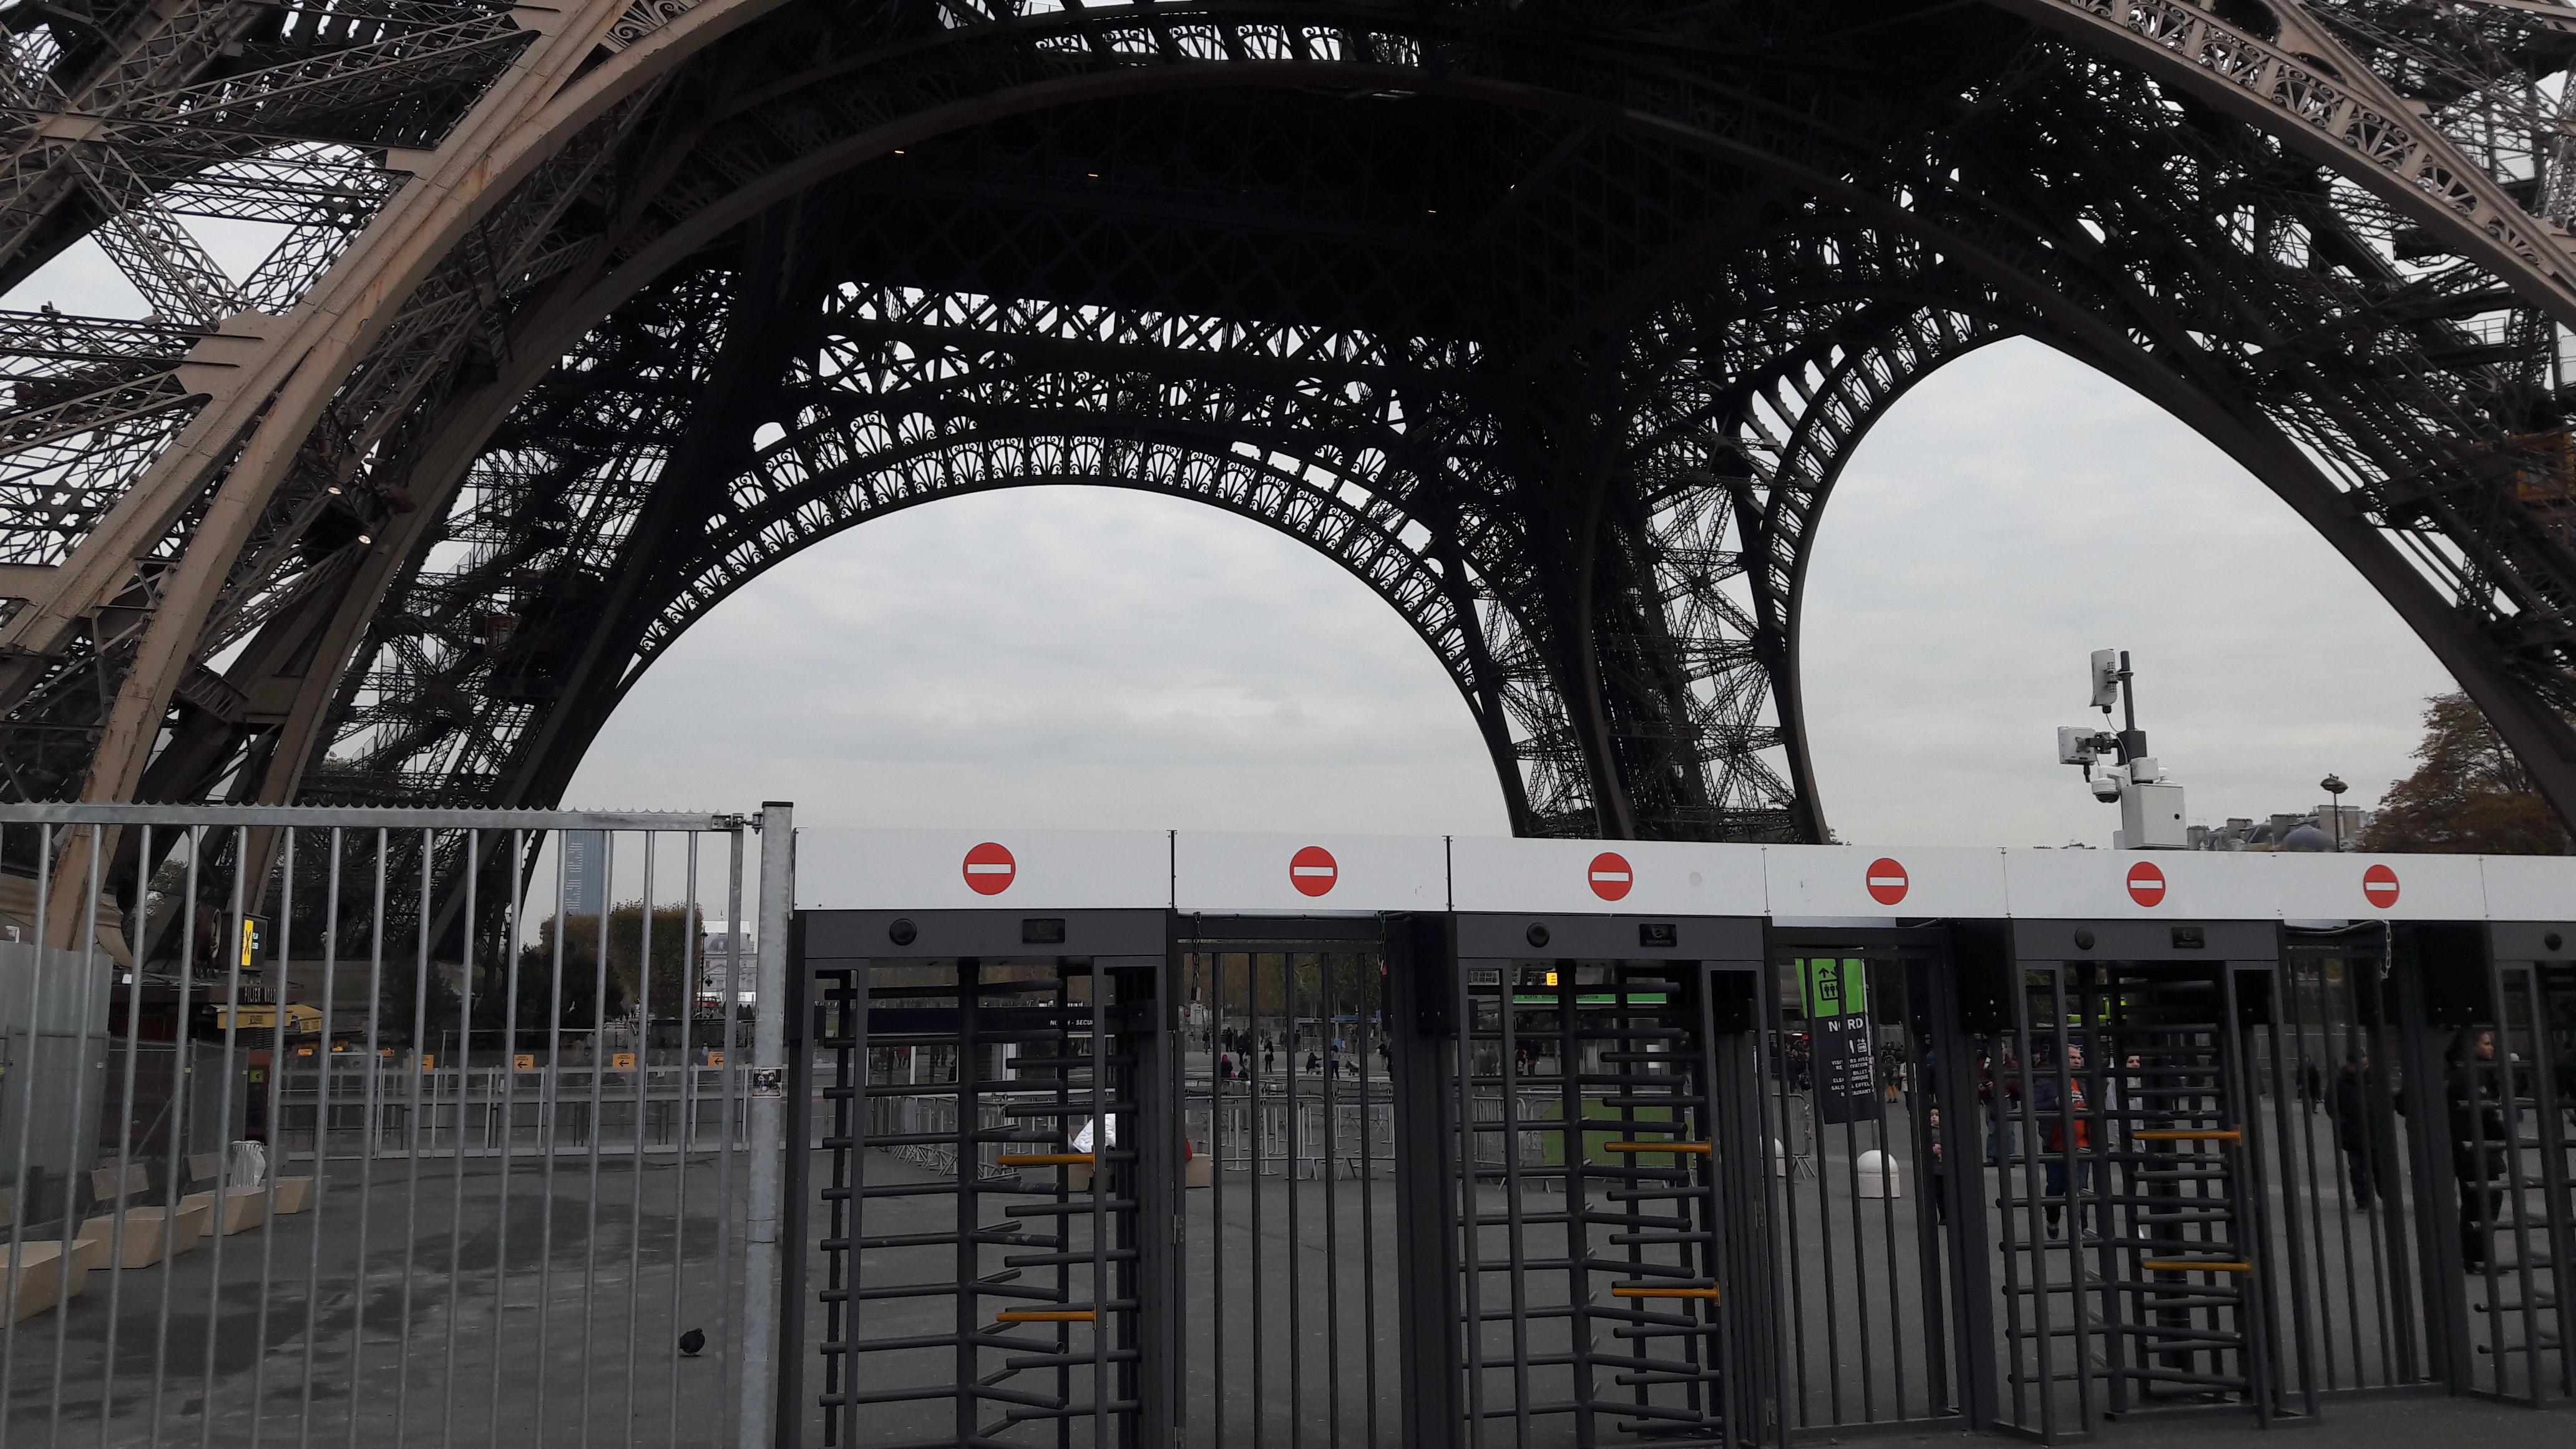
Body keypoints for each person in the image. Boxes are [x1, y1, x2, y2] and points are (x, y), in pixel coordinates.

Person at [2446, 1029, 2510, 1269]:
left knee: (2476, 1201)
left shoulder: (2455, 1072)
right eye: (2486, 1043)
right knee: (2484, 1200)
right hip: (2475, 1148)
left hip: (2465, 1147)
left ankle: (2473, 1256)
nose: (2492, 1047)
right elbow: (2485, 1113)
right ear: (2471, 1047)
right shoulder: (2472, 1075)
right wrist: (2503, 1135)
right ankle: (2478, 1257)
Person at [2030, 1043, 2093, 1239]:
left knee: (2079, 1188)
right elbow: (2033, 1107)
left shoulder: (2085, 1080)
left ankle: (2080, 1229)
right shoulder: (2046, 1082)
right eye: (2072, 1057)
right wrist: (2055, 1103)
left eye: (2078, 1057)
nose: (2077, 1061)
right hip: (2055, 1145)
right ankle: (2053, 1219)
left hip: (2082, 1145)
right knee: (2056, 1188)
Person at [2328, 1050, 2387, 1210]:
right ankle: (2363, 1200)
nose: (2365, 1068)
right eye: (2361, 1065)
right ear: (2350, 1065)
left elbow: (2387, 1099)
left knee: (2380, 1168)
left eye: (2366, 1064)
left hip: (2375, 1131)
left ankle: (2386, 1196)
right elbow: (2331, 1105)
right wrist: (2343, 1123)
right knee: (2357, 1170)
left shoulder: (2375, 1078)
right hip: (2353, 1133)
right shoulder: (2340, 1082)